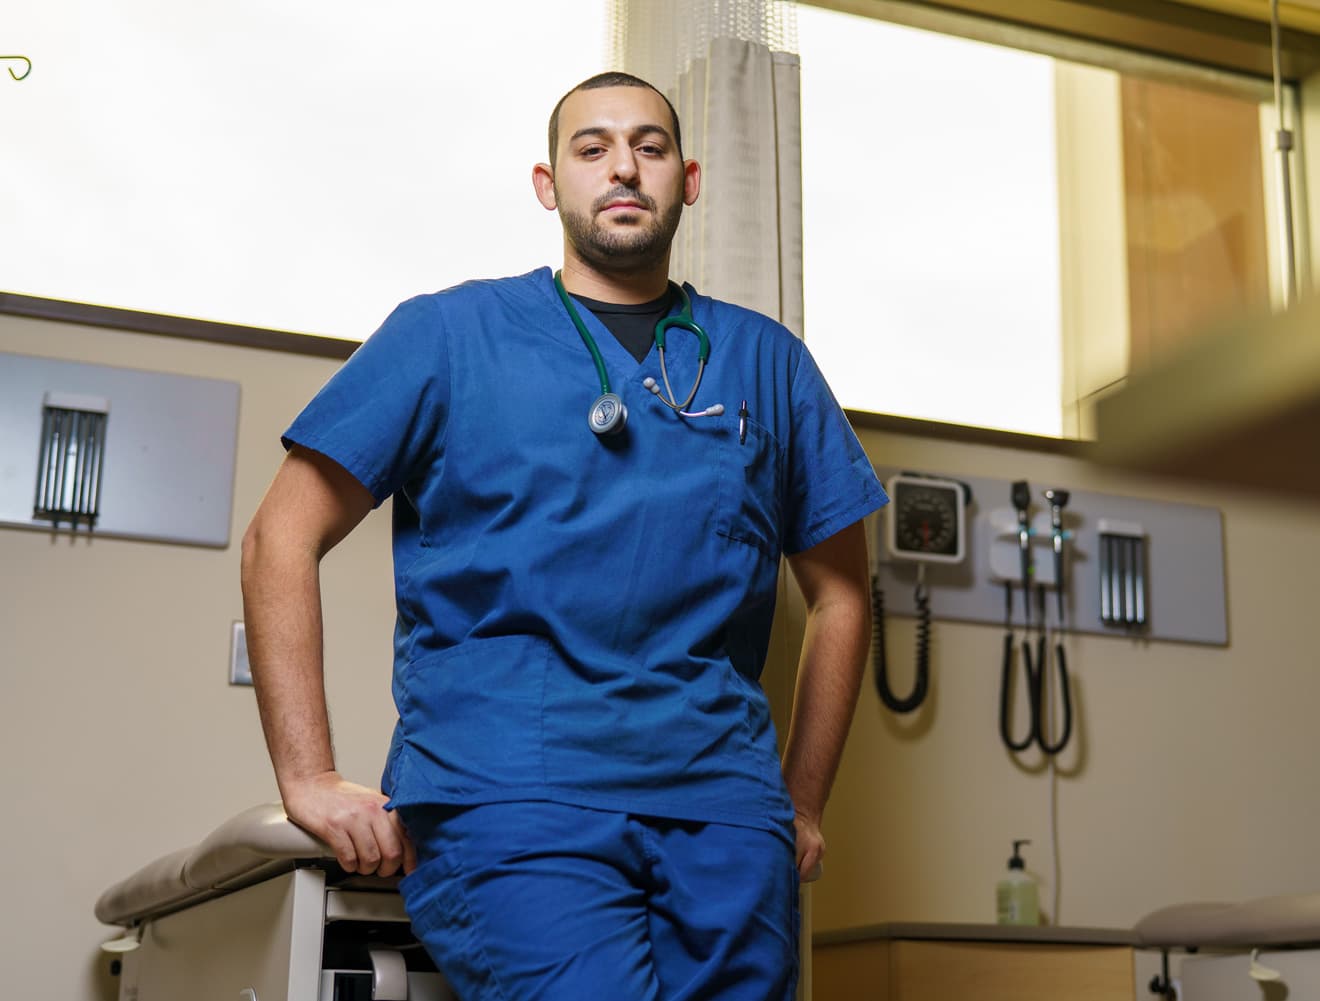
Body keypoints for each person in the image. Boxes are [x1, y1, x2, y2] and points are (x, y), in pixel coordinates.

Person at [240, 70, 887, 1001]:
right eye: (592, 148)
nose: (622, 167)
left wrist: (803, 798)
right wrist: (306, 774)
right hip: (513, 793)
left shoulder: (767, 361)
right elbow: (279, 538)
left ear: (688, 178)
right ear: (549, 184)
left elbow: (842, 592)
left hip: (726, 811)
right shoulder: (450, 336)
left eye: (649, 146)